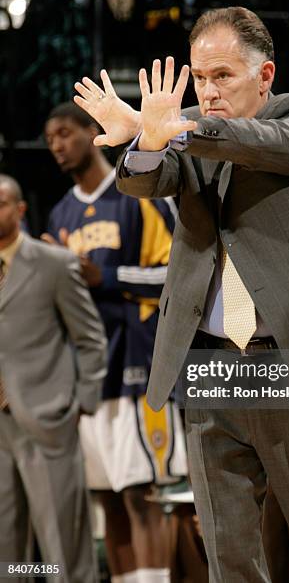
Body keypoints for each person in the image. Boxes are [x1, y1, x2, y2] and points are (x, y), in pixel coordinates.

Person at [74, 6, 289, 582]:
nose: (208, 90)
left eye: (223, 76)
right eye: (200, 77)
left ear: (265, 75)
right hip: (209, 362)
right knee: (228, 555)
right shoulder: (187, 130)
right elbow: (146, 178)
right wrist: (144, 139)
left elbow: (254, 143)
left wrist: (179, 128)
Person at [43, 103, 187, 583]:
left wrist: (101, 275)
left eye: (65, 133)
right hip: (88, 374)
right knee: (106, 496)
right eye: (49, 139)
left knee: (140, 494)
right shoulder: (61, 211)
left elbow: (176, 277)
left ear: (92, 132)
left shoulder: (137, 193)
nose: (57, 145)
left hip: (138, 365)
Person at [0, 174, 107, 582]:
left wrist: (81, 402)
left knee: (63, 542)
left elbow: (91, 338)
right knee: (8, 548)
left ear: (20, 209)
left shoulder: (53, 263)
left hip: (46, 417)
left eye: (1, 203)